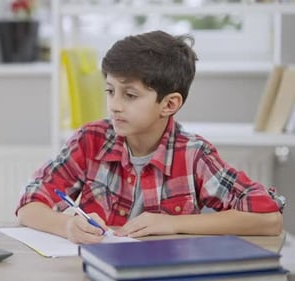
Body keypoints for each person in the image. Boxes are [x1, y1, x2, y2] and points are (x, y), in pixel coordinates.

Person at [16, 30, 286, 244]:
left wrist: (173, 223)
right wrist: (66, 226)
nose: (115, 105)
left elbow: (269, 219)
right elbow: (30, 204)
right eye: (110, 91)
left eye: (130, 95)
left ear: (169, 104)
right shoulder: (91, 140)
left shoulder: (193, 154)